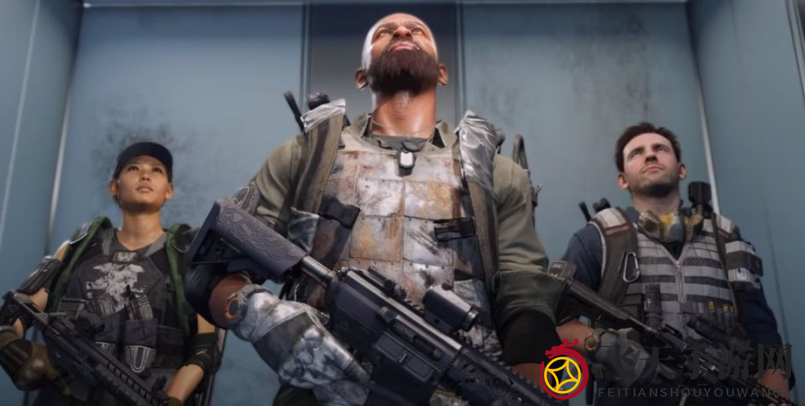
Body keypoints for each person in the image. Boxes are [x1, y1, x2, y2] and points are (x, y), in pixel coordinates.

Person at [184, 12, 561, 406]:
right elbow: (208, 272)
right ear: (361, 76)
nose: (402, 31)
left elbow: (526, 301)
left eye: (418, 30)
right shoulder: (308, 158)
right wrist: (260, 316)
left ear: (442, 73)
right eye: (384, 32)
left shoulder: (495, 174)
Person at [557, 122, 793, 405]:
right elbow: (555, 322)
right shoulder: (599, 237)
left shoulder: (725, 236)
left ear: (681, 170)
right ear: (622, 179)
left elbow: (764, 332)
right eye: (637, 153)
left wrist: (777, 392)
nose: (650, 155)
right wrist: (608, 349)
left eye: (660, 149)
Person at [0, 142, 219, 405]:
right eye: (133, 168)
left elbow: (205, 347)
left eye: (157, 170)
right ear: (114, 186)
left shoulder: (186, 258)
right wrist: (13, 348)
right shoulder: (77, 249)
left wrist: (174, 399)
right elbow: (16, 312)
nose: (145, 175)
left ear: (169, 190)